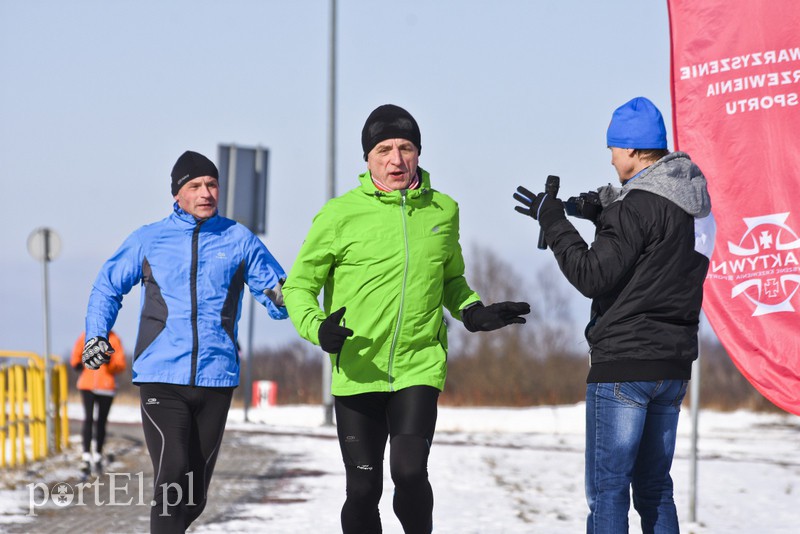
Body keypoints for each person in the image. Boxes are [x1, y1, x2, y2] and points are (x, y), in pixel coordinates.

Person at [283, 104, 530, 534]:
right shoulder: (339, 215)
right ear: (368, 158)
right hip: (359, 369)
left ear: (419, 152)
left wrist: (472, 312)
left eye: (406, 148)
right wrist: (317, 327)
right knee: (362, 491)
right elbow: (298, 286)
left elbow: (450, 278)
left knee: (410, 472)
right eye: (384, 149)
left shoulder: (443, 211)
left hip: (419, 365)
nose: (396, 159)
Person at [513, 96, 714, 533]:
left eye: (614, 148)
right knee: (655, 488)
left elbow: (591, 274)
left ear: (633, 150)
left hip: (624, 364)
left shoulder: (637, 206)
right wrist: (602, 208)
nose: (609, 157)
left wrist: (555, 222)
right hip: (673, 365)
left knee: (608, 492)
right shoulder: (695, 203)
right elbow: (654, 249)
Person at [81, 150, 288, 534]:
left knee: (193, 498)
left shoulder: (238, 239)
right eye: (195, 186)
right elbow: (107, 287)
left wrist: (289, 298)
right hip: (162, 376)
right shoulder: (149, 239)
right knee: (172, 473)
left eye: (212, 184)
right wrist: (97, 334)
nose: (206, 192)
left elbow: (278, 292)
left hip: (217, 378)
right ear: (177, 194)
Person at [70, 330, 126, 476]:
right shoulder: (85, 335)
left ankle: (98, 454)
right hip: (87, 385)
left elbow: (120, 364)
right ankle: (86, 455)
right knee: (88, 419)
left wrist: (109, 363)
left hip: (106, 386)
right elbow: (76, 354)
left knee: (101, 421)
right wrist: (77, 363)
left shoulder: (115, 339)